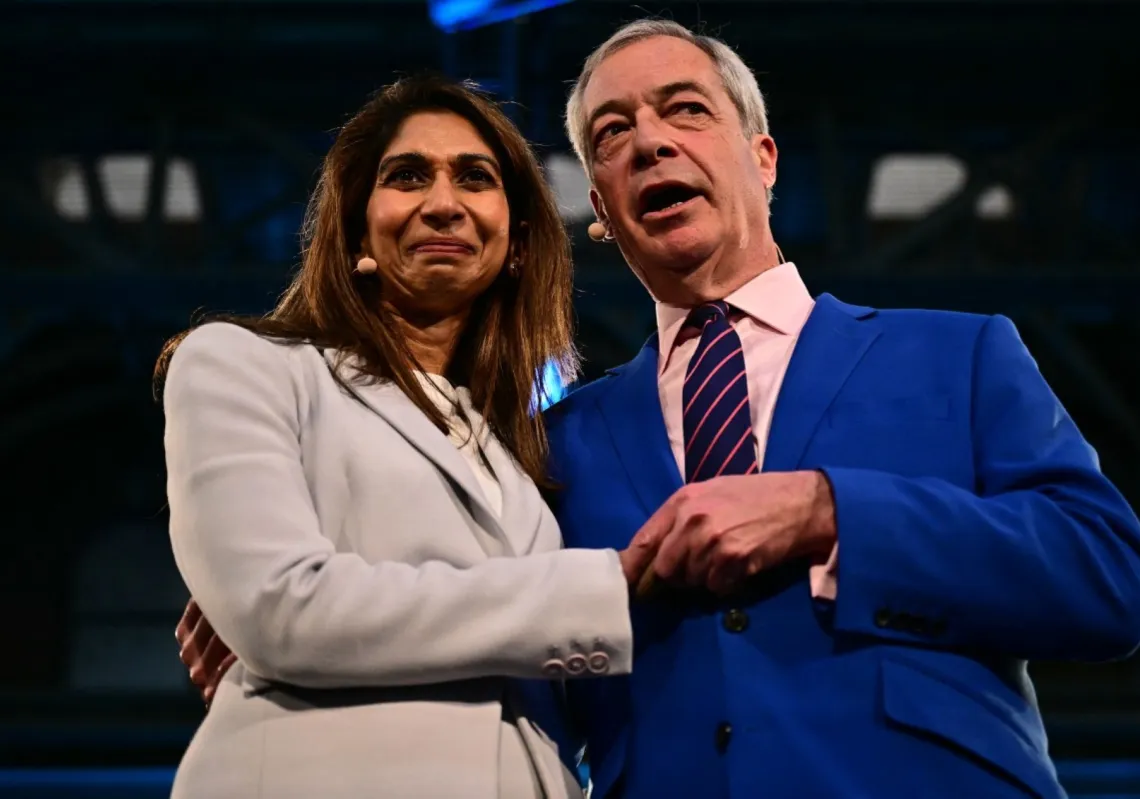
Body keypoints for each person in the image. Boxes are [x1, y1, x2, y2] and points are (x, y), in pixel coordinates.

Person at [176, 21, 1140, 799]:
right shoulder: (553, 445)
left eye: (685, 109)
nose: (648, 140)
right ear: (601, 207)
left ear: (763, 156)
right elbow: (501, 626)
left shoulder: (958, 353)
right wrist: (255, 586)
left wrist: (835, 511)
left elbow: (1109, 576)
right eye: (611, 135)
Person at [157, 74, 655, 799]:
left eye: (475, 178)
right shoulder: (242, 364)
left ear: (516, 243)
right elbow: (280, 608)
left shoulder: (522, 451)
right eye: (408, 176)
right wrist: (595, 593)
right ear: (359, 232)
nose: (443, 203)